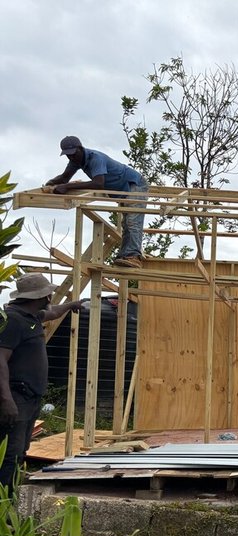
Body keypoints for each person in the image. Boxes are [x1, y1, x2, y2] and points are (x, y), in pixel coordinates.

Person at [0, 274, 82, 493]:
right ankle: (4, 505)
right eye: (49, 293)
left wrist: (71, 305)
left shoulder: (31, 316)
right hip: (16, 397)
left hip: (30, 397)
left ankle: (10, 499)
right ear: (41, 296)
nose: (51, 295)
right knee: (11, 452)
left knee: (21, 450)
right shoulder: (13, 321)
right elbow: (0, 360)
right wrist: (6, 399)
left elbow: (52, 312)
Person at [45, 136, 148, 268]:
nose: (71, 158)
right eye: (68, 156)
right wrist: (52, 183)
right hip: (122, 189)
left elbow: (98, 183)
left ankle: (133, 256)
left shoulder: (95, 158)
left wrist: (67, 187)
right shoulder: (75, 161)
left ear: (80, 149)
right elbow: (64, 178)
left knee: (133, 221)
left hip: (134, 184)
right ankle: (126, 255)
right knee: (126, 222)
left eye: (73, 154)